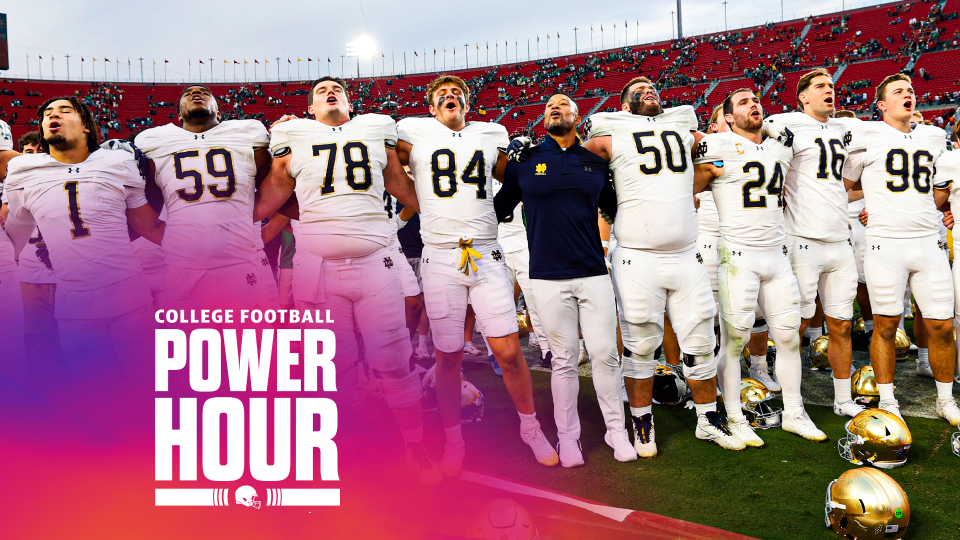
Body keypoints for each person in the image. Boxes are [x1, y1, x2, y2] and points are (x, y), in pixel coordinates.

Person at [254, 77, 439, 485]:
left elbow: (399, 183)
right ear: (310, 108)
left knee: (392, 362)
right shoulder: (292, 134)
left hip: (376, 263)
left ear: (350, 102)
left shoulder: (375, 127)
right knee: (329, 367)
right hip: (316, 269)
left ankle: (415, 446)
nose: (329, 92)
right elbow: (275, 188)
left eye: (336, 88)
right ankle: (334, 447)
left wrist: (450, 210)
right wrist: (235, 222)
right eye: (320, 91)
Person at [396, 75, 559, 476]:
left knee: (508, 351)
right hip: (440, 256)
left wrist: (538, 167)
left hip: (485, 252)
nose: (450, 98)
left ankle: (530, 427)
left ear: (467, 105)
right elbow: (382, 163)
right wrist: (414, 205)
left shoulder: (490, 134)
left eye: (457, 95)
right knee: (447, 356)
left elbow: (515, 178)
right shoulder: (412, 134)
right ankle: (455, 438)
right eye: (442, 96)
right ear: (431, 108)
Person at [582, 77, 739, 457]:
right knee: (640, 346)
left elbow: (708, 165)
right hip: (637, 255)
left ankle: (708, 419)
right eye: (636, 87)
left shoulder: (682, 125)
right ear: (623, 106)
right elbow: (580, 163)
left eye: (652, 85)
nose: (648, 88)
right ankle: (642, 423)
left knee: (702, 340)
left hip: (686, 253)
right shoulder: (611, 134)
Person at [497, 93, 640, 467]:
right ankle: (568, 438)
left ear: (578, 117)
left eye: (562, 104)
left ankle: (617, 432)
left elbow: (615, 207)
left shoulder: (594, 162)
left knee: (605, 356)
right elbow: (497, 209)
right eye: (548, 106)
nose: (554, 108)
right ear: (543, 119)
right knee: (563, 360)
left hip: (593, 271)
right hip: (546, 275)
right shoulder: (525, 163)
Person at [3, 97, 163, 398]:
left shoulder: (118, 162)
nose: (54, 115)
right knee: (96, 394)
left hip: (130, 296)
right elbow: (13, 237)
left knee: (150, 386)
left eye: (64, 110)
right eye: (47, 113)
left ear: (87, 126)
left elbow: (149, 226)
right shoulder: (23, 170)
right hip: (74, 305)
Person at [694, 88, 827, 445]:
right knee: (734, 340)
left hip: (777, 255)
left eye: (755, 99)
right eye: (742, 102)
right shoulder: (715, 146)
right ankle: (735, 416)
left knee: (786, 337)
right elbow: (687, 188)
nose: (753, 104)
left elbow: (791, 140)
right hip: (737, 255)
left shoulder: (779, 144)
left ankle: (795, 411)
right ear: (726, 116)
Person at [844, 73, 960, 426]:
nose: (908, 95)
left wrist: (946, 207)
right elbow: (847, 186)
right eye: (898, 92)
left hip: (929, 242)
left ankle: (945, 399)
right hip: (886, 243)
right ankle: (888, 398)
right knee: (885, 324)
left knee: (941, 325)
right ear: (882, 104)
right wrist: (871, 204)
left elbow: (942, 183)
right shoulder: (866, 134)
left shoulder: (934, 135)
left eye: (910, 90)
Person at [767, 69, 863, 417]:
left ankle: (842, 400)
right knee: (798, 324)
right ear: (803, 97)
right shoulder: (784, 124)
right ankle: (792, 400)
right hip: (802, 239)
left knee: (840, 323)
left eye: (832, 86)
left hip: (840, 240)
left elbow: (849, 179)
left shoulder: (843, 129)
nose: (829, 90)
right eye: (820, 86)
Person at [133, 85, 272, 311]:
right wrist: (168, 239)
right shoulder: (153, 140)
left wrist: (246, 217)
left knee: (245, 340)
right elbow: (144, 197)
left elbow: (269, 181)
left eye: (204, 93)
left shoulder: (247, 131)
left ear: (219, 113)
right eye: (187, 94)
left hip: (238, 261)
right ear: (178, 115)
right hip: (184, 267)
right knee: (190, 341)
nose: (195, 94)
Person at [13, 131, 61, 359]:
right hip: (30, 275)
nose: (33, 157)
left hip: (66, 273)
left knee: (71, 336)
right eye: (28, 152)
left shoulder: (66, 180)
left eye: (39, 151)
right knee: (37, 341)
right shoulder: (12, 185)